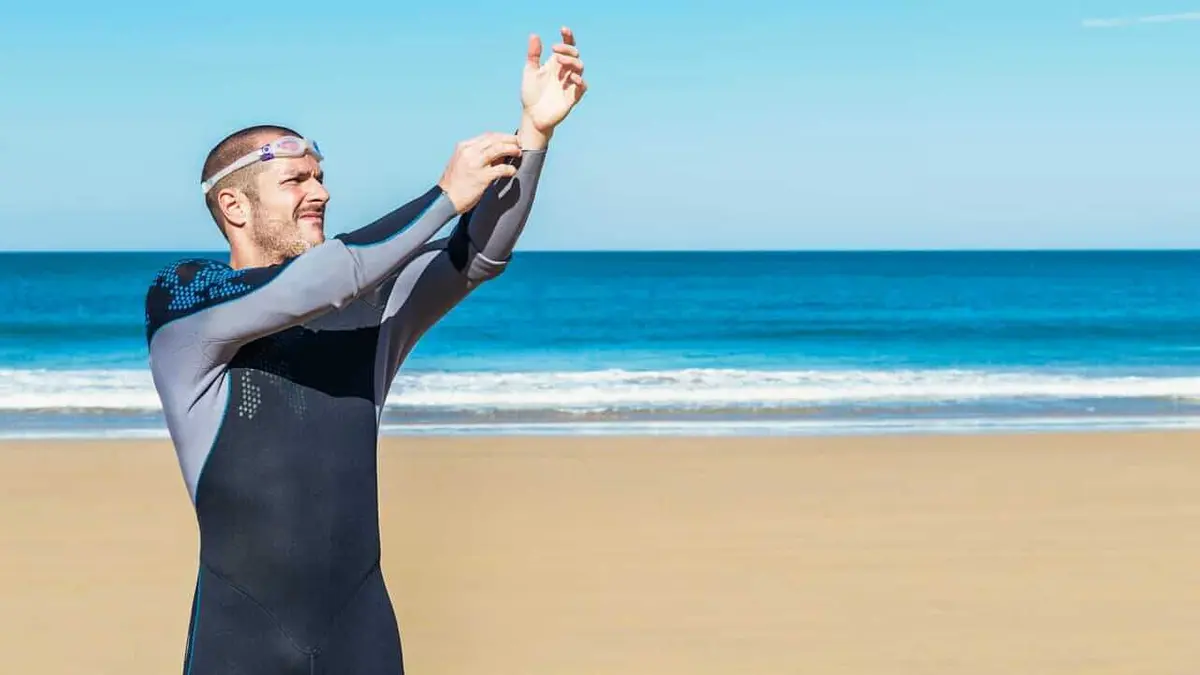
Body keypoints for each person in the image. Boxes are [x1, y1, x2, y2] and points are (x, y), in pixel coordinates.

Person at [143, 27, 587, 675]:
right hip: (239, 639)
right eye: (296, 180)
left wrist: (534, 136)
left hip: (361, 633)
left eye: (321, 177)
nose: (320, 192)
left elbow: (476, 255)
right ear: (234, 205)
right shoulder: (186, 302)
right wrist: (443, 197)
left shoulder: (366, 308)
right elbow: (321, 280)